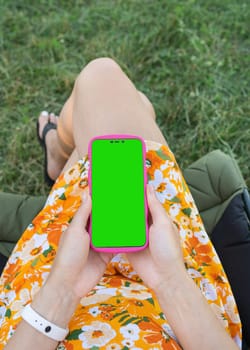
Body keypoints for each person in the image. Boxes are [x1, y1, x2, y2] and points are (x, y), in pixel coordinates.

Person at [0, 58, 242, 349]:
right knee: (117, 98)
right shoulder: (169, 279)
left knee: (103, 84)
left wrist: (63, 287)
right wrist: (170, 281)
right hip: (178, 306)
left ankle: (59, 152)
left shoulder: (60, 285)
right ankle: (65, 148)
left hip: (48, 303)